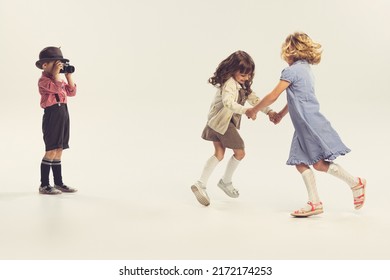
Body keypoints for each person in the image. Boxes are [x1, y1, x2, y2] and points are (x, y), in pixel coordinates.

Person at [246, 32, 366, 217]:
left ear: (290, 50)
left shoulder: (291, 71)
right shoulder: (306, 70)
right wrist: (280, 115)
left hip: (308, 123)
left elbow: (273, 95)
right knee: (301, 162)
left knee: (317, 163)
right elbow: (295, 98)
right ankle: (316, 202)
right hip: (304, 123)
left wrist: (254, 110)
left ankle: (355, 183)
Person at [191, 50, 276, 206]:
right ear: (232, 71)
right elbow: (228, 103)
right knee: (240, 151)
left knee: (219, 154)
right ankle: (226, 181)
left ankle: (200, 183)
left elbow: (255, 100)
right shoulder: (230, 84)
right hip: (222, 124)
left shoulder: (242, 85)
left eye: (249, 75)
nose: (246, 78)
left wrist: (268, 111)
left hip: (215, 123)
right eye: (243, 75)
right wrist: (247, 111)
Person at [36, 46, 77, 194]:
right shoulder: (43, 81)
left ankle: (58, 182)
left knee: (59, 150)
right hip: (52, 114)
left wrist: (68, 75)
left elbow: (71, 92)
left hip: (63, 113)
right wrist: (56, 75)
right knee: (51, 150)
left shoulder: (59, 78)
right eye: (55, 64)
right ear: (45, 65)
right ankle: (44, 185)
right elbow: (55, 87)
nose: (58, 67)